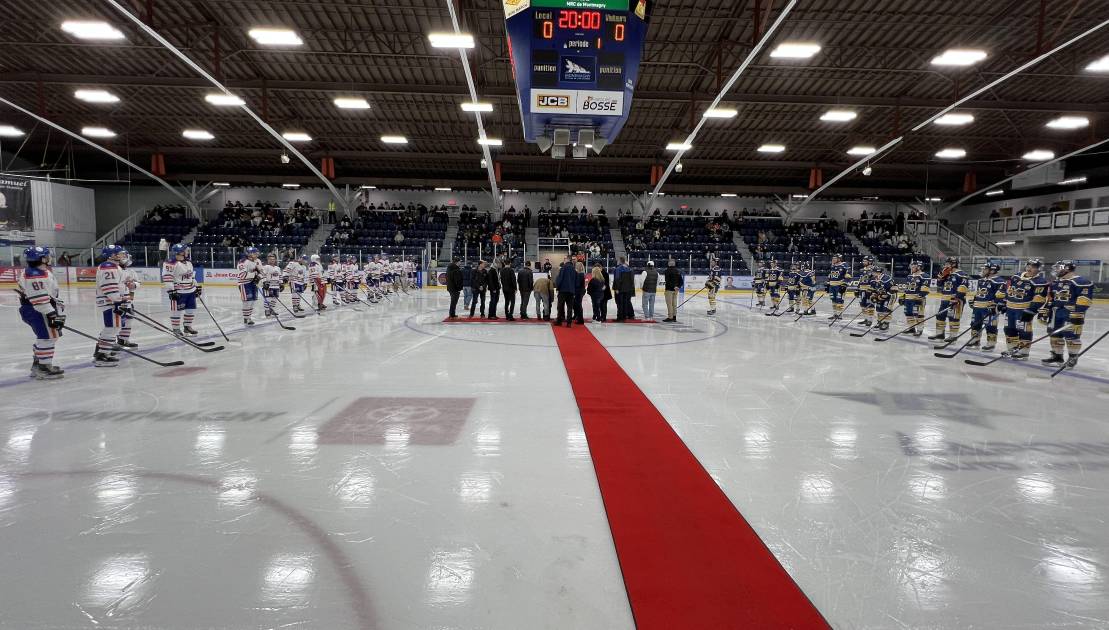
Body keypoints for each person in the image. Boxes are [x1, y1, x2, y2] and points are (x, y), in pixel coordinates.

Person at [16, 246, 66, 380]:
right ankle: (43, 367)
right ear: (42, 259)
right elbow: (39, 299)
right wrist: (51, 314)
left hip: (40, 309)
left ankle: (39, 364)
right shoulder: (35, 274)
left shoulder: (38, 271)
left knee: (48, 337)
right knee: (47, 338)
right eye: (47, 256)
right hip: (39, 310)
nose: (49, 258)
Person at [1043, 260, 1094, 368]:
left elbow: (1084, 299)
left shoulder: (1081, 282)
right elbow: (1051, 298)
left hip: (1070, 313)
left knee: (1072, 336)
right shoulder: (1055, 282)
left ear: (1066, 268)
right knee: (1054, 335)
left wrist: (1078, 314)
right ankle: (1057, 356)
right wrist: (1046, 311)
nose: (1056, 270)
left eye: (1058, 268)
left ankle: (1072, 358)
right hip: (1056, 312)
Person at [1002, 258, 1049, 359]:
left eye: (1034, 267)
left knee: (1023, 330)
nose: (1030, 268)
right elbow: (1008, 290)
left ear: (1038, 269)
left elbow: (1039, 298)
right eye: (1029, 265)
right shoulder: (1016, 276)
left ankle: (1023, 352)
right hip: (1010, 309)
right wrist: (1004, 302)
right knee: (1009, 329)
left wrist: (1031, 310)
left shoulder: (1040, 281)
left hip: (1023, 310)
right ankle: (1012, 349)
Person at [94, 245, 129, 367]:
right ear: (111, 255)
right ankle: (102, 355)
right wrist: (118, 302)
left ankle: (102, 352)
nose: (121, 255)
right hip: (110, 302)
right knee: (112, 328)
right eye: (118, 253)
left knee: (114, 327)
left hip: (113, 301)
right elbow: (109, 287)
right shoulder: (108, 267)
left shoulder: (114, 266)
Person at [966, 262, 1006, 350]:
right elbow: (980, 293)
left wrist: (995, 304)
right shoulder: (981, 280)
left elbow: (1002, 295)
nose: (983, 270)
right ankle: (975, 340)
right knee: (975, 324)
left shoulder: (999, 281)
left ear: (992, 271)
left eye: (985, 269)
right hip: (977, 307)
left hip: (988, 307)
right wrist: (974, 300)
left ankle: (991, 343)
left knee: (990, 325)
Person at [163, 243, 200, 336]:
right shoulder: (170, 263)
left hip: (190, 291)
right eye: (185, 250)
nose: (187, 251)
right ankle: (176, 329)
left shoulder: (188, 262)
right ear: (180, 252)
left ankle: (187, 327)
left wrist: (196, 287)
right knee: (176, 311)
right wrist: (171, 290)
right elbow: (167, 277)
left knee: (191, 310)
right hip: (179, 291)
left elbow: (191, 277)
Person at [929, 257, 969, 342]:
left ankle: (953, 336)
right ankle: (940, 334)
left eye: (948, 263)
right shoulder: (946, 273)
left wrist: (957, 298)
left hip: (955, 299)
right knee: (940, 315)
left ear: (954, 264)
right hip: (944, 298)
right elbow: (939, 284)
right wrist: (941, 276)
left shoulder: (961, 274)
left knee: (953, 318)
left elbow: (963, 287)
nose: (945, 265)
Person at [900, 260, 930, 337]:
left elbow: (925, 289)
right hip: (908, 298)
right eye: (912, 266)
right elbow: (908, 288)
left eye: (914, 267)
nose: (912, 268)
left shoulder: (925, 276)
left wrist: (920, 297)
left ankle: (920, 329)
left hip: (917, 298)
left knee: (918, 314)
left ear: (919, 267)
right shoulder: (910, 276)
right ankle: (911, 328)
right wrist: (904, 296)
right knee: (908, 313)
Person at [237, 246, 264, 325]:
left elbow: (261, 272)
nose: (257, 255)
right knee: (247, 301)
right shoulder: (242, 262)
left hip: (253, 283)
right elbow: (242, 275)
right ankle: (246, 318)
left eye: (257, 253)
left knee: (252, 301)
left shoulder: (257, 261)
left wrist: (259, 278)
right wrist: (255, 274)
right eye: (255, 253)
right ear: (249, 253)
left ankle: (249, 317)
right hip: (244, 283)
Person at [554, 258, 578, 327]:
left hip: (563, 291)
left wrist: (557, 288)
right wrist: (574, 290)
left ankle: (559, 321)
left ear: (566, 261)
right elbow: (576, 282)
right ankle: (569, 323)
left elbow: (559, 279)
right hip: (571, 291)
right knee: (570, 307)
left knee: (560, 306)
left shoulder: (563, 268)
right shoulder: (574, 270)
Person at [825, 254, 850, 320]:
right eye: (833, 258)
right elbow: (830, 275)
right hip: (832, 285)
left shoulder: (844, 265)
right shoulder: (832, 265)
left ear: (839, 259)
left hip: (839, 285)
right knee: (833, 300)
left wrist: (844, 285)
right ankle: (835, 314)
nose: (833, 259)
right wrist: (828, 283)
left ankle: (840, 315)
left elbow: (848, 276)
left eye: (835, 258)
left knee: (839, 300)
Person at [261, 254, 284, 318]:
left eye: (273, 259)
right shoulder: (266, 267)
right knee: (268, 299)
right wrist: (264, 282)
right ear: (268, 260)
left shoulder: (278, 268)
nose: (272, 260)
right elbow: (263, 275)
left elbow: (280, 276)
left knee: (275, 299)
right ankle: (267, 310)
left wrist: (281, 284)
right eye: (271, 259)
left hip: (276, 286)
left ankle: (271, 309)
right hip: (268, 286)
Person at [614, 257, 635, 321]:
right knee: (625, 303)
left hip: (620, 289)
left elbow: (617, 279)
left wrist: (616, 288)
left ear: (620, 261)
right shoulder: (629, 269)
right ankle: (625, 316)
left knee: (619, 303)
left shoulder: (618, 269)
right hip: (627, 289)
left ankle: (620, 317)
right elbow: (632, 280)